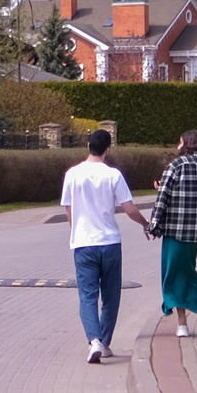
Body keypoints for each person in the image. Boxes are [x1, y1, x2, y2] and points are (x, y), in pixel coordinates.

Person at [60, 128, 140, 363]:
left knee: (87, 296)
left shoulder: (72, 174)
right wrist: (146, 224)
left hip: (84, 243)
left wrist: (76, 231)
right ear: (108, 148)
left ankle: (93, 340)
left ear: (88, 146)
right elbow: (129, 208)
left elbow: (69, 210)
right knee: (111, 296)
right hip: (110, 243)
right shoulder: (113, 175)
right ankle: (104, 343)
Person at [147, 130, 197, 337]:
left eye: (180, 142)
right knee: (185, 269)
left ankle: (196, 317)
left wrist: (153, 224)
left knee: (173, 272)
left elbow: (163, 198)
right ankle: (194, 319)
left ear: (186, 144)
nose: (177, 145)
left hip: (176, 228)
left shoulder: (176, 166)